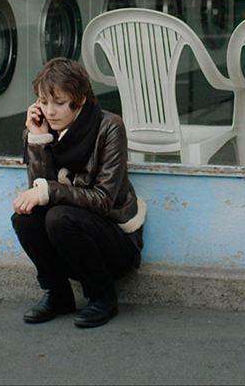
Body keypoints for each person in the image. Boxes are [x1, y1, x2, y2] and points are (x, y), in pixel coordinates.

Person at [11, 57, 146, 327]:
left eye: (59, 103)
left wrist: (48, 190)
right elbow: (40, 195)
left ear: (80, 100)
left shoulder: (109, 127)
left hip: (114, 243)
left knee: (59, 216)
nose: (49, 111)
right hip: (68, 240)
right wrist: (38, 139)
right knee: (25, 218)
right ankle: (58, 295)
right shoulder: (42, 128)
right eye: (43, 101)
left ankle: (103, 297)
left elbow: (103, 199)